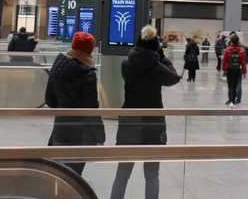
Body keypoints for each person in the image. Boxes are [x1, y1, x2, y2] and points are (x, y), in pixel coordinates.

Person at [110, 26, 181, 199]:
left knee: (122, 172)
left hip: (129, 123)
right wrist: (162, 57)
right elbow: (173, 77)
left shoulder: (126, 65)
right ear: (155, 46)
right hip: (153, 124)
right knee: (151, 174)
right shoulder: (157, 68)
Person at [45, 32, 104, 176]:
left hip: (60, 127)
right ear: (90, 50)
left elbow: (49, 100)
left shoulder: (57, 67)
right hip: (80, 132)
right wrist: (99, 133)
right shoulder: (88, 74)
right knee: (74, 177)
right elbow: (91, 108)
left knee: (59, 173)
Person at [221, 34, 247, 108]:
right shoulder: (242, 50)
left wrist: (224, 70)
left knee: (230, 86)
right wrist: (244, 72)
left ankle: (230, 100)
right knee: (236, 85)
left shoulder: (227, 50)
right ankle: (234, 100)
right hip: (237, 70)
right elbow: (243, 62)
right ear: (238, 41)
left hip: (229, 70)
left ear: (231, 41)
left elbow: (224, 61)